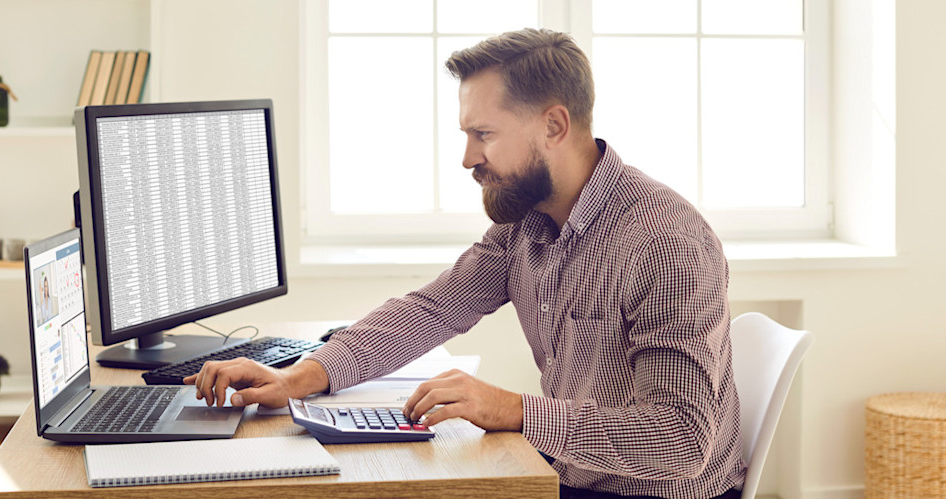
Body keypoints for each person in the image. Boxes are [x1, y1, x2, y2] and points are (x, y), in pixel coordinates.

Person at [187, 28, 746, 499]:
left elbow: (681, 440)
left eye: (484, 135)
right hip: (565, 476)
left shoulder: (666, 243)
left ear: (554, 126)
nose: (468, 158)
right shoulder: (525, 220)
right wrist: (298, 378)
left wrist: (512, 409)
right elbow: (432, 310)